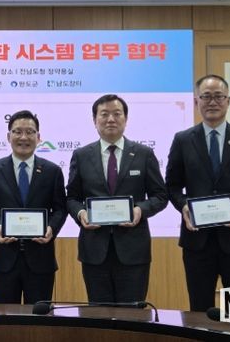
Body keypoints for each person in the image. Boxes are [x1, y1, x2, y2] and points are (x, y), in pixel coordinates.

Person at [166, 74, 230, 312]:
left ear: (228, 101)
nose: (212, 102)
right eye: (206, 97)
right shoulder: (183, 140)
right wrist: (184, 207)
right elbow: (171, 186)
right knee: (199, 311)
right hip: (197, 243)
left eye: (218, 96)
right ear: (196, 102)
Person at [66, 94, 168, 303]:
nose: (110, 119)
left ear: (125, 119)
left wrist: (140, 210)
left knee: (132, 313)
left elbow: (160, 195)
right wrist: (81, 213)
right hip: (94, 250)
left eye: (116, 114)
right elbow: (71, 198)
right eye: (104, 114)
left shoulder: (143, 154)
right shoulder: (81, 155)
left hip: (133, 250)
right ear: (94, 120)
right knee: (99, 312)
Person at [0, 110, 67, 304]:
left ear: (38, 137)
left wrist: (51, 228)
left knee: (39, 316)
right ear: (8, 136)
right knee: (5, 315)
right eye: (17, 132)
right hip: (4, 259)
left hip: (41, 259)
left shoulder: (52, 171)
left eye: (30, 132)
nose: (24, 137)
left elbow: (60, 208)